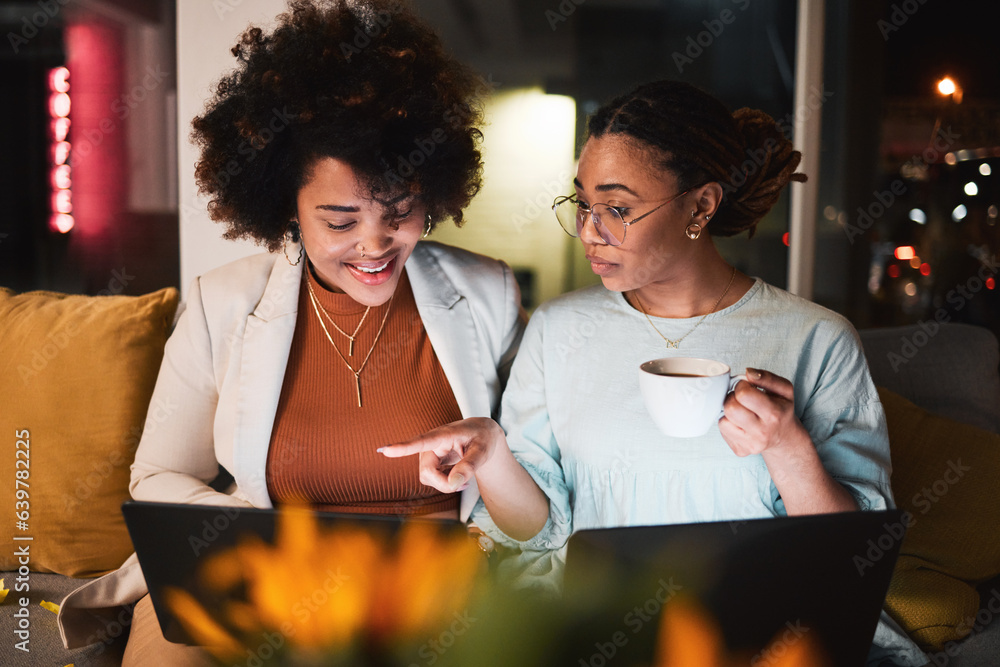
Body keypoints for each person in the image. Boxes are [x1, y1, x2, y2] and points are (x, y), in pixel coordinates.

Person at [381, 80, 926, 666]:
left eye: (617, 208)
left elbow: (851, 557)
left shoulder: (816, 337)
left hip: (755, 637)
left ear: (700, 206)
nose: (591, 230)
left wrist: (788, 448)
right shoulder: (560, 328)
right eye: (583, 204)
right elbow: (534, 533)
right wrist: (493, 456)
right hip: (603, 627)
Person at [57, 2, 523, 664]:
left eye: (400, 212)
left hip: (429, 589)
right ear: (287, 206)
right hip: (274, 576)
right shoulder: (224, 302)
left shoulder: (488, 294)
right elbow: (159, 474)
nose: (374, 245)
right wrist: (268, 535)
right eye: (339, 221)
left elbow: (534, 476)